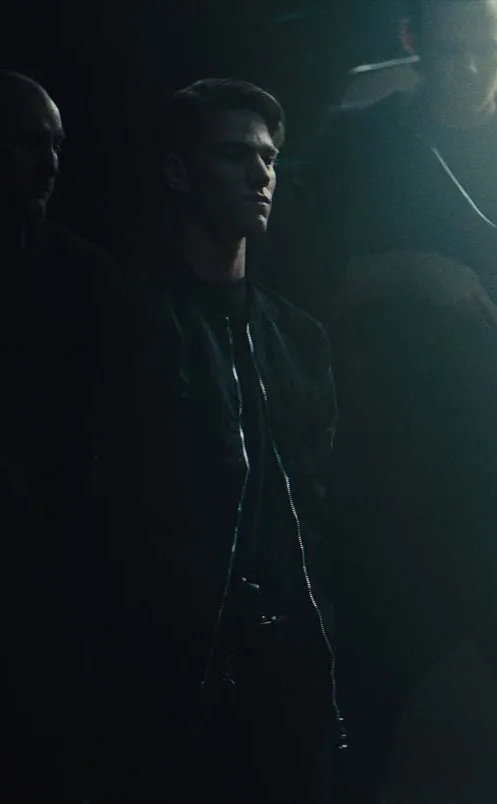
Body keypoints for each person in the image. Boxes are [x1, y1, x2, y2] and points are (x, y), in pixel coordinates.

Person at [264, 1, 497, 801]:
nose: (464, 69)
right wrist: (405, 273)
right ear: (411, 40)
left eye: (481, 49)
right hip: (389, 494)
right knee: (350, 741)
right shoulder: (356, 146)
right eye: (447, 50)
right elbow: (288, 282)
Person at [84, 78, 343, 803]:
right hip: (169, 670)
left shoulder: (297, 337)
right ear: (179, 171)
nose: (260, 174)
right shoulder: (130, 321)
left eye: (268, 158)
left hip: (287, 671)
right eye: (234, 155)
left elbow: (313, 502)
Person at [0, 68, 121, 804]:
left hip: (50, 583)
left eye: (56, 145)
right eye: (26, 142)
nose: (48, 163)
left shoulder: (87, 277)